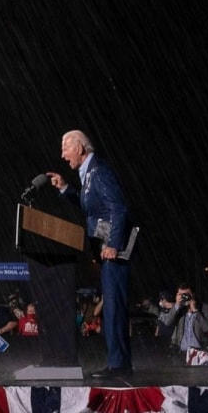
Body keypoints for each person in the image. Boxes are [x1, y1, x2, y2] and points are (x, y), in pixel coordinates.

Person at [48, 129, 133, 381]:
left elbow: (118, 208)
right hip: (104, 250)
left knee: (114, 307)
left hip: (112, 252)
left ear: (80, 148)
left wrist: (113, 244)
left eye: (65, 148)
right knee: (112, 307)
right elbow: (92, 209)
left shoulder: (99, 172)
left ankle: (119, 365)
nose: (63, 155)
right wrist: (65, 189)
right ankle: (119, 362)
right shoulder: (88, 174)